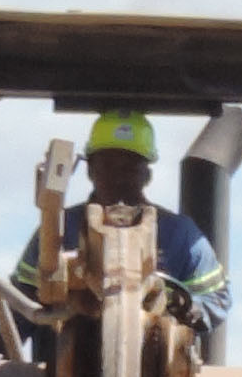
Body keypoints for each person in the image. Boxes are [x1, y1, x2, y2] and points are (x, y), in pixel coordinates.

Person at [15, 110, 224, 330]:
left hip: (155, 357)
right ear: (90, 170)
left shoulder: (179, 234)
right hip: (62, 355)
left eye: (129, 168)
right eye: (108, 166)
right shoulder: (58, 229)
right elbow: (22, 295)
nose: (118, 177)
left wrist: (186, 307)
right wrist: (0, 343)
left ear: (147, 175)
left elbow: (216, 298)